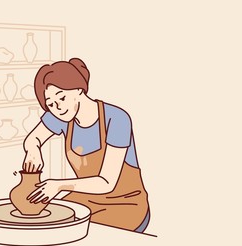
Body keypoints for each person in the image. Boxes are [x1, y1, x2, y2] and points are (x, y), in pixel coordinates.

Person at [22, 58, 150, 232]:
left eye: (62, 97)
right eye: (50, 104)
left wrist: (58, 185)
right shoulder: (62, 115)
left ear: (79, 89)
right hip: (85, 198)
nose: (57, 107)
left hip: (126, 203)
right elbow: (32, 139)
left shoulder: (117, 119)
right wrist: (33, 150)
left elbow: (107, 183)